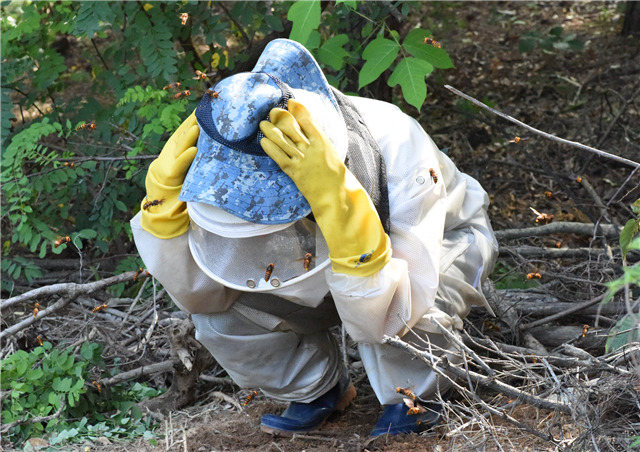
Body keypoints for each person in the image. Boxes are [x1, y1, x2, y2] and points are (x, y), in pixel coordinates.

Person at [131, 38, 498, 437]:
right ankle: (317, 391)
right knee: (222, 318)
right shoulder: (218, 152)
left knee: (409, 312)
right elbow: (201, 297)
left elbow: (390, 316)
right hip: (321, 273)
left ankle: (418, 395)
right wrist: (163, 222)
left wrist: (342, 213)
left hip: (434, 252)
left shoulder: (396, 141)